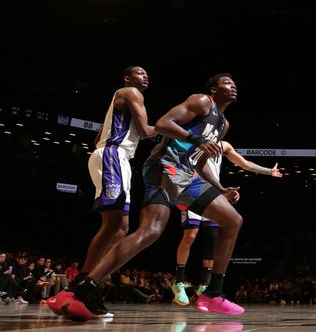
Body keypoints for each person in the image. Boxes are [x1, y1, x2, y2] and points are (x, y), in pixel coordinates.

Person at [52, 73, 245, 319]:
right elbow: (164, 123)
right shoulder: (201, 102)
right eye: (227, 83)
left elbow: (202, 160)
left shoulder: (223, 124)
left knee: (233, 220)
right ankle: (85, 285)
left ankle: (214, 293)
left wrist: (220, 187)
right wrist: (194, 138)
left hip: (188, 174)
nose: (233, 87)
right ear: (213, 89)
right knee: (150, 232)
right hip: (165, 166)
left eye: (235, 84)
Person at [46, 66, 156, 311]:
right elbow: (148, 131)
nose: (145, 75)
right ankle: (80, 286)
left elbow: (97, 139)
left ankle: (88, 284)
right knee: (114, 224)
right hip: (114, 157)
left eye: (147, 72)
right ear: (127, 78)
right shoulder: (130, 92)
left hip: (117, 159)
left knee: (122, 227)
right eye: (140, 72)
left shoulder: (121, 101)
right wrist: (178, 126)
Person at [171, 141, 282, 305]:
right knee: (190, 235)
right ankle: (178, 282)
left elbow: (244, 164)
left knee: (212, 239)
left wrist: (269, 171)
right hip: (193, 190)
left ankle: (205, 285)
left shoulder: (224, 146)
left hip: (214, 194)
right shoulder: (196, 140)